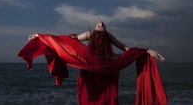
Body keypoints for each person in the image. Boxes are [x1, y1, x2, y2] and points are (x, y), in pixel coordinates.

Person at [21, 21, 168, 105]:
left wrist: (148, 51)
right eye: (98, 23)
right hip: (90, 70)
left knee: (109, 99)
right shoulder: (89, 34)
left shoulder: (108, 36)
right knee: (88, 98)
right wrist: (42, 37)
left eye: (102, 23)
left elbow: (126, 49)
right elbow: (67, 42)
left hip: (107, 71)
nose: (100, 23)